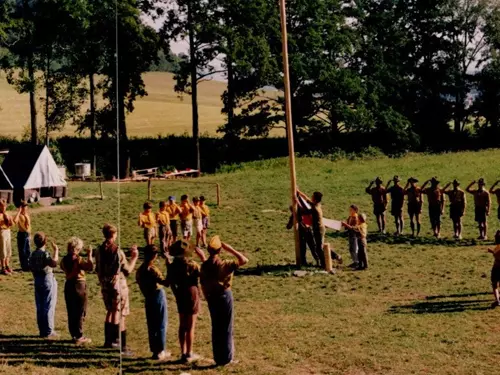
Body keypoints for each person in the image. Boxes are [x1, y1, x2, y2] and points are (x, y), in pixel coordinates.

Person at [200, 236, 249, 366]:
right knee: (226, 327)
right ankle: (227, 358)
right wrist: (231, 249)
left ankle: (218, 356)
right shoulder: (225, 264)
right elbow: (244, 260)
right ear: (220, 250)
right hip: (224, 296)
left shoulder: (204, 265)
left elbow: (203, 283)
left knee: (216, 327)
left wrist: (207, 297)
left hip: (211, 297)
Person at [95, 224, 139, 356]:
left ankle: (108, 341)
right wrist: (134, 257)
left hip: (104, 284)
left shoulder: (99, 250)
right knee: (120, 314)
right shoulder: (117, 251)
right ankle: (120, 344)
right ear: (114, 235)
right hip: (118, 285)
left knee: (110, 311)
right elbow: (128, 270)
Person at [167, 240, 206, 363]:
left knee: (182, 324)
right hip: (192, 292)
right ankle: (189, 353)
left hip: (180, 292)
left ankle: (183, 352)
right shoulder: (192, 265)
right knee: (191, 325)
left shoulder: (172, 266)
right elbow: (204, 274)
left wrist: (176, 293)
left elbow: (171, 283)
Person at [136, 245, 171, 361]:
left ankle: (155, 350)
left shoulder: (140, 270)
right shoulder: (152, 269)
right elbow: (166, 283)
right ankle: (161, 350)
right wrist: (168, 264)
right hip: (157, 295)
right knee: (161, 323)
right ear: (155, 256)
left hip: (148, 297)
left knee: (152, 325)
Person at [60, 237, 93, 345]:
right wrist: (89, 255)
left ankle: (74, 334)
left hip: (68, 285)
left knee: (71, 311)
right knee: (80, 311)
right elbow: (89, 267)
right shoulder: (78, 259)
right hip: (79, 285)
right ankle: (79, 335)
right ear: (77, 248)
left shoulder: (64, 260)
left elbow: (62, 267)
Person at [29, 232, 59, 339]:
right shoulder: (44, 254)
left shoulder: (33, 254)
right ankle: (49, 330)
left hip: (37, 279)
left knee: (40, 306)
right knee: (49, 305)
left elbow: (31, 266)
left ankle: (42, 329)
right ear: (45, 241)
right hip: (47, 279)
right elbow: (54, 263)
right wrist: (56, 251)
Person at [297, 190, 326, 267]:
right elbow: (306, 198)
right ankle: (323, 263)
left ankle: (324, 264)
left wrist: (298, 201)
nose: (311, 197)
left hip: (319, 229)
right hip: (319, 228)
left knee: (319, 248)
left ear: (315, 199)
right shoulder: (317, 204)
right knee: (318, 247)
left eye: (312, 196)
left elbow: (305, 210)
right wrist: (299, 192)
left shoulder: (315, 207)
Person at [13, 201, 31, 271]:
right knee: (22, 251)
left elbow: (29, 226)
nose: (25, 208)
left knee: (28, 251)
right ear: (21, 207)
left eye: (26, 206)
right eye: (24, 207)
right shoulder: (20, 216)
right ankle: (24, 266)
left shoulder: (27, 215)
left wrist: (30, 234)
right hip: (22, 234)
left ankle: (28, 265)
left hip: (27, 234)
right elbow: (15, 221)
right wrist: (19, 212)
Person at [0, 199, 14, 275]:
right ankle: (3, 267)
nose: (4, 208)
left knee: (8, 250)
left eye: (5, 206)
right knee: (3, 250)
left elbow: (12, 224)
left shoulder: (8, 214)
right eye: (2, 206)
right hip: (1, 232)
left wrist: (9, 220)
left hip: (8, 231)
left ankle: (7, 266)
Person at [488, 230, 500, 308]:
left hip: (497, 268)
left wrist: (491, 251)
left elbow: (497, 256)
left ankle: (497, 300)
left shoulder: (498, 247)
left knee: (494, 285)